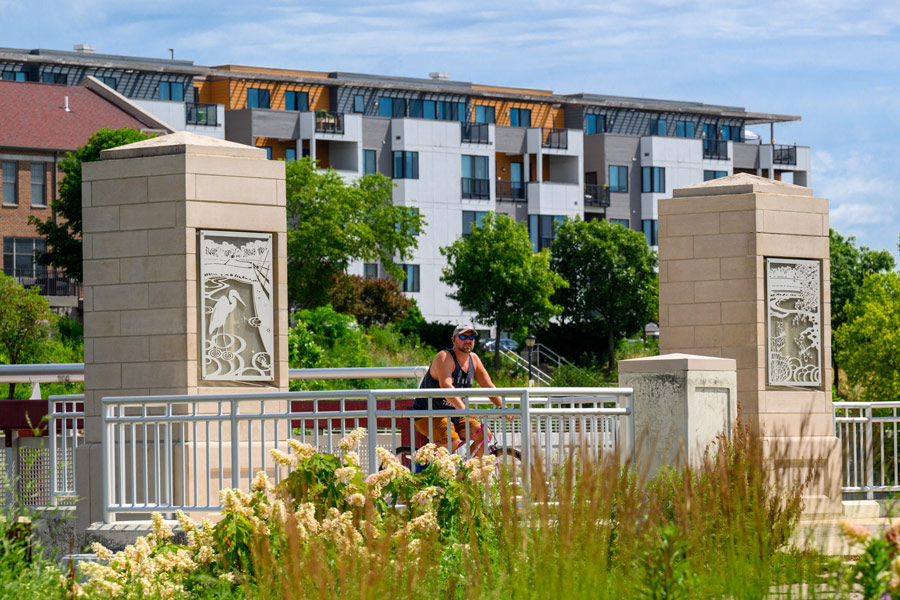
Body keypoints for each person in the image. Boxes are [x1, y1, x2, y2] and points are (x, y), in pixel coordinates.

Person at [411, 323, 503, 456]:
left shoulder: (474, 359)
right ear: (453, 339)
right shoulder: (444, 357)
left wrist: (501, 406)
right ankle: (420, 466)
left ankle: (467, 473)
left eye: (471, 337)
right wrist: (465, 411)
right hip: (429, 413)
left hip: (456, 414)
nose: (468, 340)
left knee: (484, 434)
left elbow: (488, 386)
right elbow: (447, 387)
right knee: (452, 441)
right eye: (463, 336)